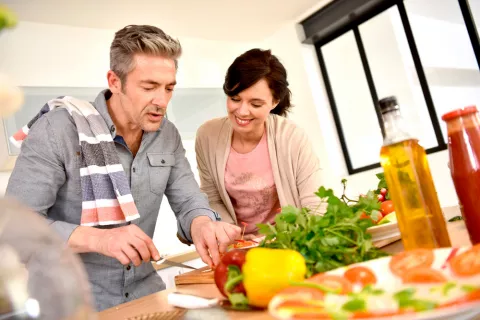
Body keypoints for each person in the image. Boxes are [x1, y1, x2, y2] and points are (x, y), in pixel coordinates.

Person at [5, 25, 241, 311]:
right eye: (149, 87)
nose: (162, 101)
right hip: (72, 303)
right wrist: (100, 238)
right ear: (114, 81)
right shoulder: (57, 130)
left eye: (169, 88)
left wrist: (202, 224)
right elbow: (15, 227)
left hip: (146, 295)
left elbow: (189, 200)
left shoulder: (168, 135)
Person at [195, 48, 325, 236]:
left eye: (255, 104)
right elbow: (213, 198)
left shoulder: (292, 137)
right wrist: (235, 238)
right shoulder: (208, 136)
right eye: (235, 99)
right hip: (239, 245)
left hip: (290, 238)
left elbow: (315, 204)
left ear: (274, 102)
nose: (242, 111)